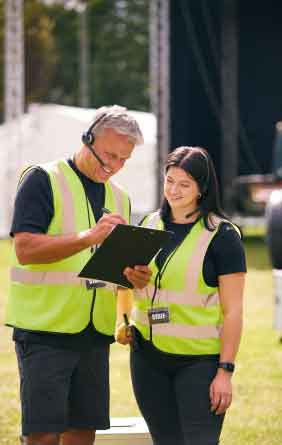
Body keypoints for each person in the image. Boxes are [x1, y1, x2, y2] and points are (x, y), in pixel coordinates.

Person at [5, 105, 152, 445]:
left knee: (83, 435)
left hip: (94, 334)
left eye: (123, 160)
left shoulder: (121, 199)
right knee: (43, 437)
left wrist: (132, 276)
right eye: (108, 156)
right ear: (87, 139)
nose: (113, 167)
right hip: (45, 331)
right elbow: (25, 249)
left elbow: (114, 273)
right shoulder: (42, 179)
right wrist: (90, 236)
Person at [116, 146, 246, 445]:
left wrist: (225, 371)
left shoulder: (222, 237)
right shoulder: (147, 225)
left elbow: (234, 312)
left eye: (184, 184)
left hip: (199, 363)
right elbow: (124, 282)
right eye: (169, 180)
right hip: (147, 359)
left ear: (202, 188)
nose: (173, 190)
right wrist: (123, 319)